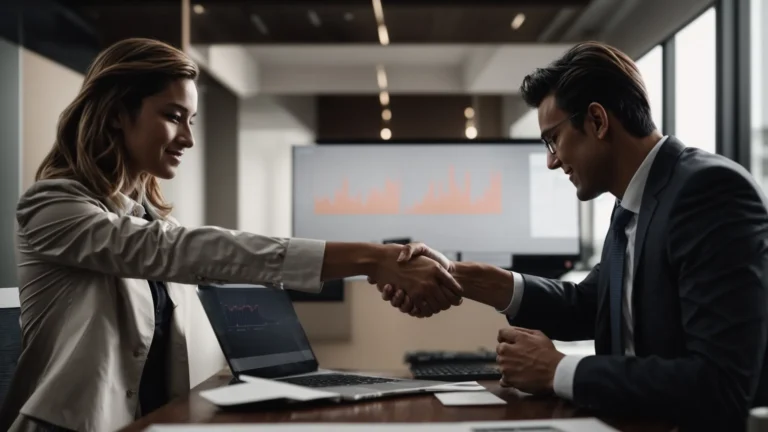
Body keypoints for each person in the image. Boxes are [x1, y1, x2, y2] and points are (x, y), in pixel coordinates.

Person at [0, 38, 462, 432]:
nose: (188, 137)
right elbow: (182, 251)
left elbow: (215, 269)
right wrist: (370, 258)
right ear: (119, 114)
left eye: (192, 120)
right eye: (173, 115)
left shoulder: (153, 224)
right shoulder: (49, 208)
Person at [374, 41, 768, 431]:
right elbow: (586, 306)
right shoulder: (633, 201)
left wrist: (560, 370)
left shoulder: (708, 191)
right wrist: (459, 276)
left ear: (597, 121)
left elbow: (720, 385)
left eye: (553, 139)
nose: (551, 161)